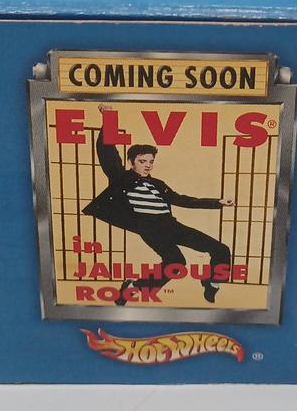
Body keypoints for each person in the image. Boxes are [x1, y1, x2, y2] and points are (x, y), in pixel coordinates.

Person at [84, 108, 234, 306]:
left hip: (172, 225)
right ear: (131, 162)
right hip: (151, 229)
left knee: (221, 250)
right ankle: (133, 287)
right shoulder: (122, 179)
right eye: (142, 161)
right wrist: (109, 118)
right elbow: (107, 153)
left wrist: (217, 202)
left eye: (151, 162)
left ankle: (212, 283)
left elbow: (182, 200)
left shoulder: (158, 184)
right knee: (176, 264)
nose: (147, 165)